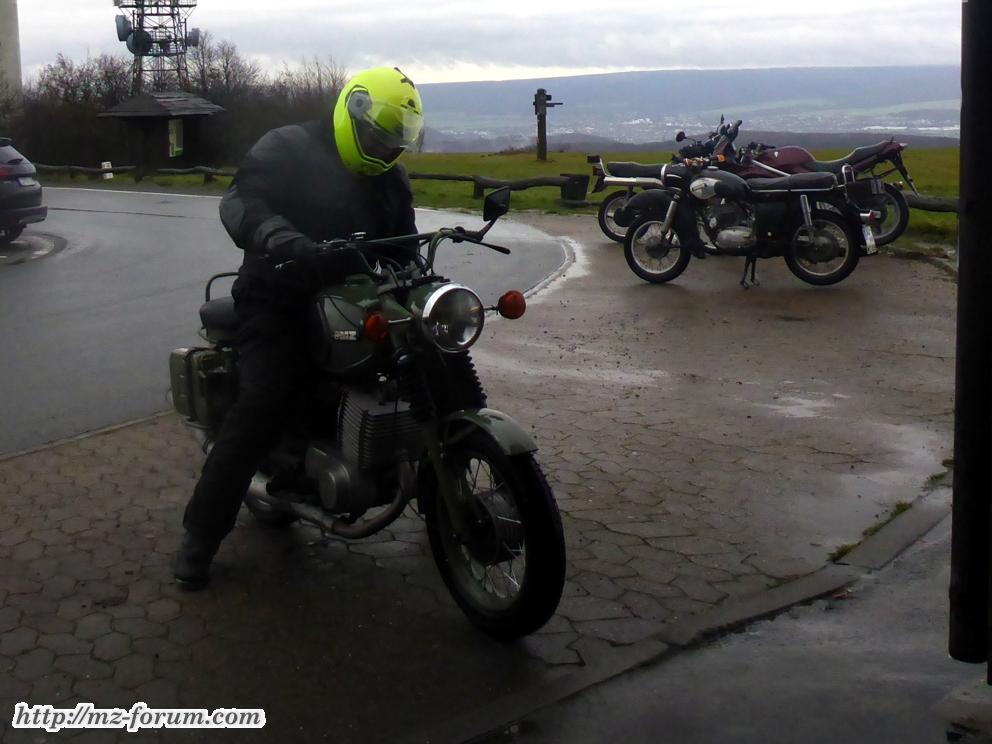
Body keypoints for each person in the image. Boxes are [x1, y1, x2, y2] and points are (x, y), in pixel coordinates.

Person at [174, 66, 425, 589]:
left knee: (418, 363)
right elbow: (240, 201)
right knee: (264, 400)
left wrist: (415, 274)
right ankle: (200, 537)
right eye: (377, 136)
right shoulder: (287, 148)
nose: (384, 148)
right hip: (278, 295)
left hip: (354, 298)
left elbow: (404, 247)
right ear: (352, 115)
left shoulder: (390, 178)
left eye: (393, 141)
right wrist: (277, 236)